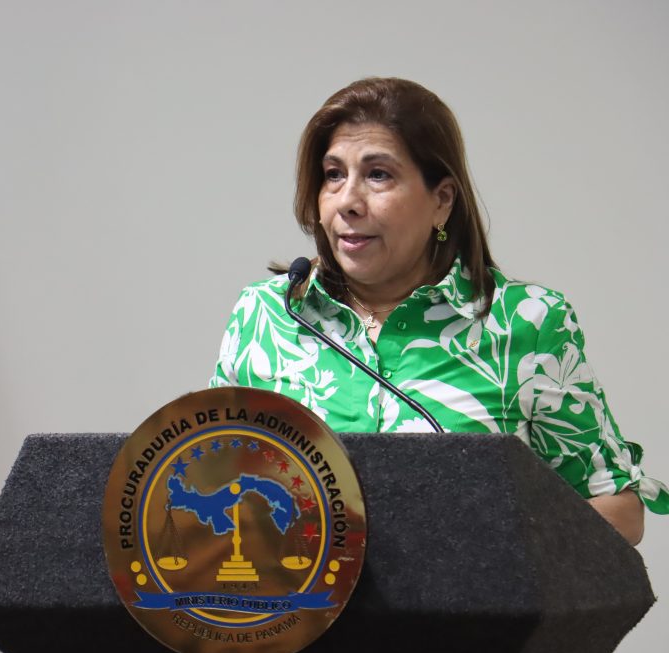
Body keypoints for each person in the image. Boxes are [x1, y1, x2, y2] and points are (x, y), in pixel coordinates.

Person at [209, 77, 667, 545]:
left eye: (378, 175)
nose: (347, 201)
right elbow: (209, 482)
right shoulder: (267, 314)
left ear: (441, 201)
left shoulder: (526, 322)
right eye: (333, 175)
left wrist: (501, 548)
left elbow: (619, 507)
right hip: (297, 592)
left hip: (475, 594)